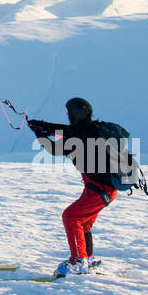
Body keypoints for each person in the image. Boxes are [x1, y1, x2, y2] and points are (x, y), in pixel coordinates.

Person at [27, 97, 122, 278]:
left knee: (71, 217)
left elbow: (53, 148)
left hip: (98, 191)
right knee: (83, 222)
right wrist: (40, 125)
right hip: (104, 189)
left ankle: (78, 261)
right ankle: (89, 258)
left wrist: (38, 134)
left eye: (69, 114)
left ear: (73, 115)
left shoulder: (78, 136)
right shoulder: (93, 128)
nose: (68, 116)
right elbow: (64, 130)